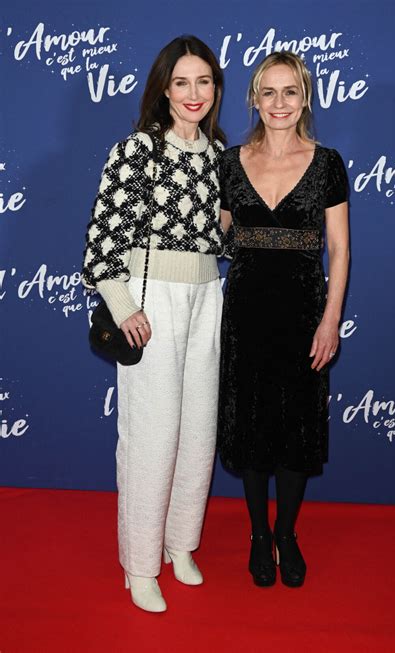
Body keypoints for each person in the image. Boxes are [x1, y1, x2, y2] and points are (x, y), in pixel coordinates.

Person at [82, 35, 226, 612]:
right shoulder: (137, 150)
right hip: (152, 302)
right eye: (182, 82)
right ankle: (140, 565)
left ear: (216, 88)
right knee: (152, 435)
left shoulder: (219, 155)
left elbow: (221, 236)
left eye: (204, 81)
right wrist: (124, 308)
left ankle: (180, 545)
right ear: (164, 89)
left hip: (208, 294)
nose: (194, 94)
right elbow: (102, 244)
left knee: (198, 431)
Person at [217, 52, 349, 588]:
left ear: (305, 98)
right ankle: (257, 534)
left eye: (289, 92)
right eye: (267, 92)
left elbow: (338, 249)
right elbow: (217, 238)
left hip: (302, 312)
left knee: (296, 427)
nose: (278, 103)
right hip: (245, 310)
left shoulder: (327, 163)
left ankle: (287, 532)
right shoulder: (228, 163)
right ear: (253, 98)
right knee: (250, 424)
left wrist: (331, 318)